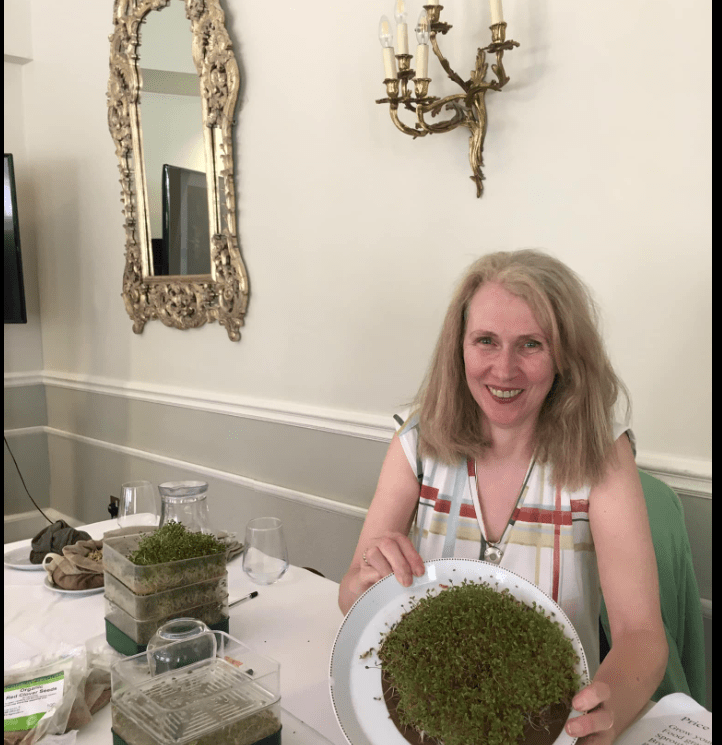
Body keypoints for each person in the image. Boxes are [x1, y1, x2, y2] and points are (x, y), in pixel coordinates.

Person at [339, 250, 668, 744]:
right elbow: (350, 594)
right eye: (486, 341)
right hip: (430, 712)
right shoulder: (416, 442)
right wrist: (368, 581)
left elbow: (641, 635)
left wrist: (603, 714)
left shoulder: (600, 452)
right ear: (460, 348)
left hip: (544, 720)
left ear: (565, 356)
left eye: (531, 344)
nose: (504, 369)